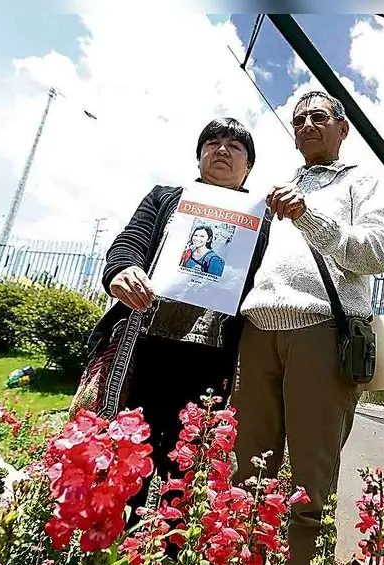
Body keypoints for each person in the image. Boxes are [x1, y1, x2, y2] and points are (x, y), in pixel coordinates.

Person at [229, 90, 384, 565]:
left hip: (322, 329)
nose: (306, 125)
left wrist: (308, 215)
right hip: (258, 330)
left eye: (318, 117)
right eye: (298, 119)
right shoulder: (273, 190)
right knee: (247, 470)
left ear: (343, 129)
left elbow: (377, 253)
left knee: (310, 478)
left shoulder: (361, 181)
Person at [88, 117, 271, 520]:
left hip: (213, 357)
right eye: (213, 142)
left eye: (235, 146)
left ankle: (169, 554)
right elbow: (130, 241)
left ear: (249, 167)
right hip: (146, 345)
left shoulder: (264, 218)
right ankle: (112, 547)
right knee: (128, 453)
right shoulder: (166, 197)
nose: (222, 149)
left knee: (189, 464)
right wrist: (121, 271)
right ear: (199, 155)